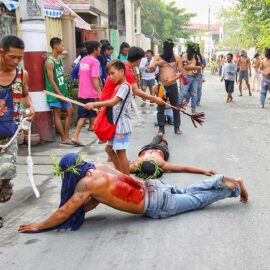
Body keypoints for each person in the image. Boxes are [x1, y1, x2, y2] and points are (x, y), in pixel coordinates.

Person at [18, 153, 248, 233]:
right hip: (153, 187)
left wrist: (39, 225)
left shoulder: (85, 186)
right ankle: (221, 181)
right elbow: (95, 202)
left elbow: (63, 213)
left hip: (155, 203)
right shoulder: (98, 167)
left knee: (196, 200)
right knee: (188, 191)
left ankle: (233, 187)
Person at [0, 36, 35, 220]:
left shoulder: (22, 74)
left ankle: (5, 182)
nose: (15, 62)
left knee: (6, 171)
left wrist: (30, 109)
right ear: (1, 53)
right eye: (12, 57)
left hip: (9, 133)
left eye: (19, 58)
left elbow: (24, 97)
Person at [85, 60, 132, 175]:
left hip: (122, 125)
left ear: (122, 71)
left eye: (113, 73)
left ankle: (128, 180)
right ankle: (121, 174)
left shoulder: (125, 87)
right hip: (115, 124)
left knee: (121, 152)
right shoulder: (119, 87)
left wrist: (95, 104)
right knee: (109, 149)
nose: (110, 77)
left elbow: (113, 102)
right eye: (109, 74)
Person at [129, 134, 216, 179]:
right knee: (159, 140)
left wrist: (204, 171)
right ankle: (161, 137)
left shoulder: (135, 166)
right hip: (148, 148)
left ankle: (161, 138)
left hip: (154, 149)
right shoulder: (136, 165)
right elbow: (184, 168)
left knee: (162, 143)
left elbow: (184, 168)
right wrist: (204, 171)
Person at [71, 40, 102, 145]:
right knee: (96, 114)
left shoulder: (84, 59)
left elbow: (80, 75)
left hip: (82, 92)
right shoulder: (95, 61)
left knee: (87, 115)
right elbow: (94, 78)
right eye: (99, 48)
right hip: (91, 94)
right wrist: (99, 92)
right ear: (95, 49)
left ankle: (76, 136)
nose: (100, 49)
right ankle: (76, 136)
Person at [149, 39, 182, 135]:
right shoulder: (158, 57)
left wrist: (172, 80)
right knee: (161, 107)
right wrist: (155, 64)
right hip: (161, 86)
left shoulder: (177, 57)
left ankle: (177, 128)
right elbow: (151, 70)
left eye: (169, 47)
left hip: (173, 85)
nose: (168, 49)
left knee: (176, 107)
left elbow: (181, 73)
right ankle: (161, 129)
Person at [44, 37, 73, 145]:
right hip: (54, 93)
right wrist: (59, 95)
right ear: (56, 46)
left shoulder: (59, 59)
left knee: (70, 111)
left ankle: (66, 136)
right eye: (61, 45)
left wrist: (64, 92)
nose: (63, 47)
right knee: (57, 113)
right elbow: (51, 80)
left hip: (62, 90)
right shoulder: (50, 62)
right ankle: (63, 138)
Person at [179, 41, 202, 114]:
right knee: (183, 92)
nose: (196, 49)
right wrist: (196, 67)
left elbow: (199, 67)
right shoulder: (185, 55)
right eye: (194, 47)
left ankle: (193, 108)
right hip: (186, 76)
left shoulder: (196, 56)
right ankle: (176, 107)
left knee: (194, 93)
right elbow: (186, 67)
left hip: (195, 77)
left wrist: (198, 71)